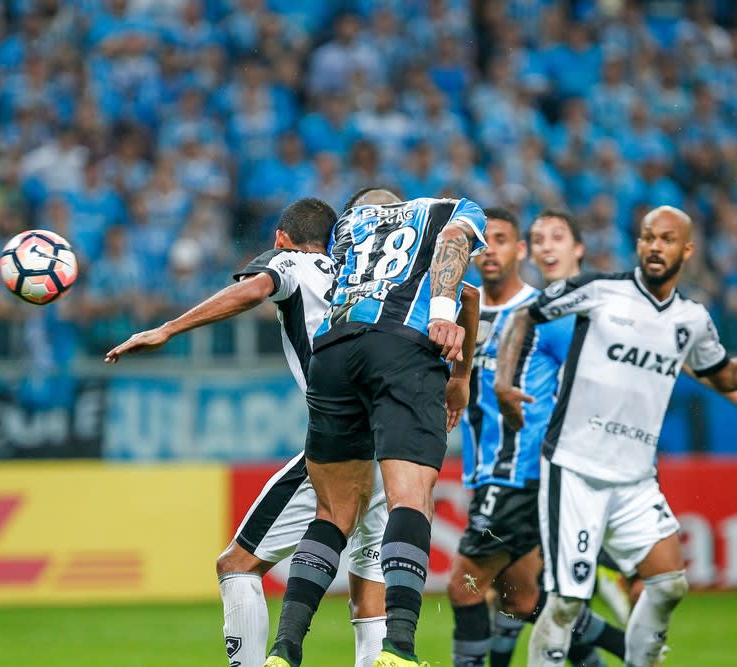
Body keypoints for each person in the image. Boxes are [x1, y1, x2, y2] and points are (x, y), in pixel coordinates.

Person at [105, 197, 391, 667]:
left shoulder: (290, 261)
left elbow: (257, 288)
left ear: (281, 237)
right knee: (368, 583)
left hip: (343, 439)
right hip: (392, 441)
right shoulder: (360, 275)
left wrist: (168, 329)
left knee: (237, 564)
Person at [494, 206, 737, 667]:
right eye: (648, 237)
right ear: (639, 243)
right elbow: (527, 315)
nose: (655, 247)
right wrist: (505, 384)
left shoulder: (692, 319)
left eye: (667, 239)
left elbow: (722, 374)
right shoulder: (601, 290)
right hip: (575, 468)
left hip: (635, 479)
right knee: (566, 602)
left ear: (687, 250)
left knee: (670, 585)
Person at [265, 188, 487, 667]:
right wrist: (452, 343)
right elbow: (457, 261)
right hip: (403, 348)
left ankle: (285, 650)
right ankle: (399, 648)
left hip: (332, 356)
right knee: (411, 498)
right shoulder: (442, 209)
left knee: (332, 514)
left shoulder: (344, 231)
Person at [448, 209, 625, 667]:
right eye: (482, 243)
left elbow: (594, 375)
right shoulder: (459, 313)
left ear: (520, 251)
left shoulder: (541, 314)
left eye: (502, 240)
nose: (490, 251)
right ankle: (632, 649)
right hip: (484, 472)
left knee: (464, 584)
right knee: (523, 600)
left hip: (520, 471)